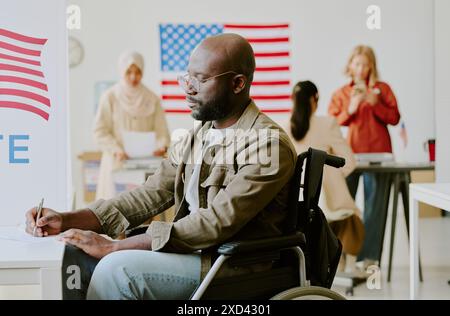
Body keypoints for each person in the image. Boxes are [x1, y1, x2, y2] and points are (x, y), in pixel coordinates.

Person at [24, 34, 297, 300]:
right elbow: (147, 195)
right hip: (193, 254)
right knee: (72, 254)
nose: (189, 88)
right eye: (188, 77)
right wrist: (66, 220)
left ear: (238, 83)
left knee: (116, 271)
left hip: (227, 264)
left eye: (201, 80)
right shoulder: (197, 136)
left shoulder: (268, 145)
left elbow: (214, 223)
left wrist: (114, 246)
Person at [328, 45, 400, 267]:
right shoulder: (341, 93)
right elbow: (332, 124)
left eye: (365, 64)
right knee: (341, 206)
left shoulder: (383, 89)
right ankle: (336, 255)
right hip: (350, 157)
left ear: (372, 66)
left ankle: (367, 258)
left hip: (379, 156)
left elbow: (395, 118)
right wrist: (351, 109)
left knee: (374, 208)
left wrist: (375, 104)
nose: (361, 68)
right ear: (350, 65)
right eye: (357, 63)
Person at [284, 80, 364, 273]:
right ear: (315, 100)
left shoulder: (283, 125)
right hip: (326, 205)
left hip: (292, 206)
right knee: (353, 220)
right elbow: (349, 162)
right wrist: (330, 177)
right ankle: (348, 267)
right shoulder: (327, 124)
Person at [94, 51, 171, 200]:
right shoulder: (110, 97)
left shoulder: (152, 98)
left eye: (138, 72)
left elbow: (162, 131)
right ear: (122, 71)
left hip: (146, 166)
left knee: (144, 207)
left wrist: (162, 146)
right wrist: (116, 149)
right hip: (117, 164)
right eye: (129, 72)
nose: (133, 77)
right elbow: (100, 131)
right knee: (113, 210)